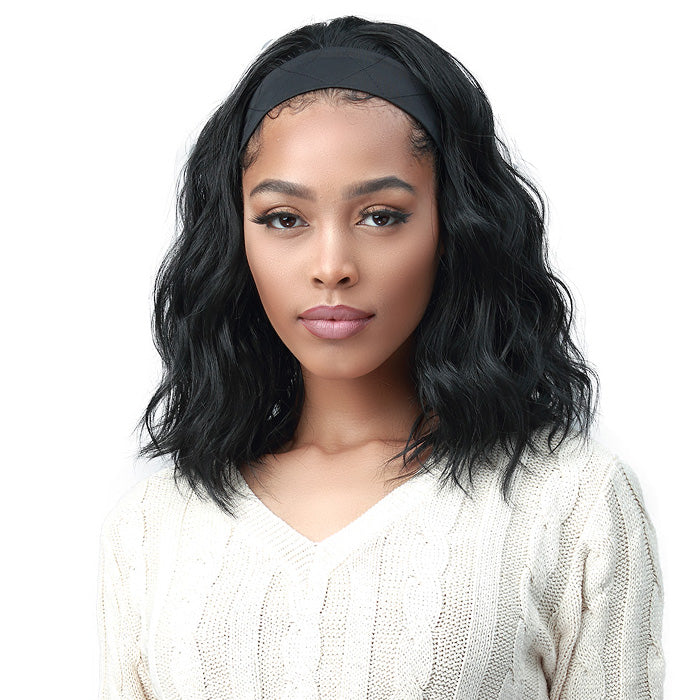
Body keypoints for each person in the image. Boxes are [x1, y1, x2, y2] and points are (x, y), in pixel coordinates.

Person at [96, 15, 664, 699]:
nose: (331, 265)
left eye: (381, 215)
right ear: (235, 237)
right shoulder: (154, 525)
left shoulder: (571, 501)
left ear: (454, 228)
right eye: (284, 219)